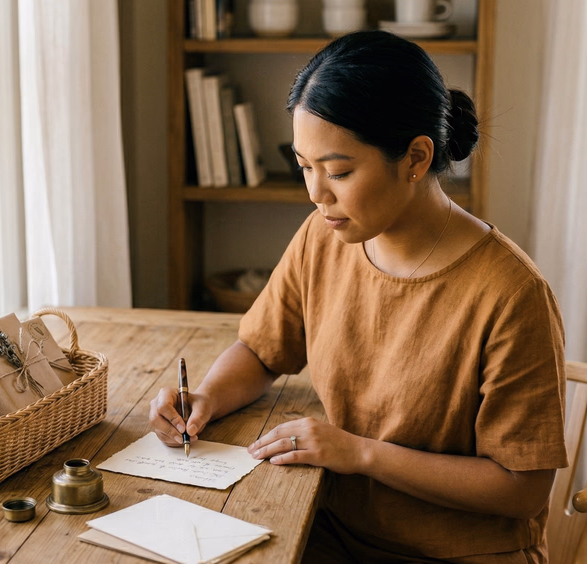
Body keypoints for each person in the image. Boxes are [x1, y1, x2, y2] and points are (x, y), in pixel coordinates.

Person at [150, 30, 567, 563]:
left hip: (461, 553)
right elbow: (261, 349)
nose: (316, 193)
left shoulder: (512, 296)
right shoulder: (323, 237)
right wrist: (206, 397)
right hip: (327, 530)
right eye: (304, 166)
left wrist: (362, 455)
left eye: (339, 171)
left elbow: (522, 488)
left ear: (416, 158)